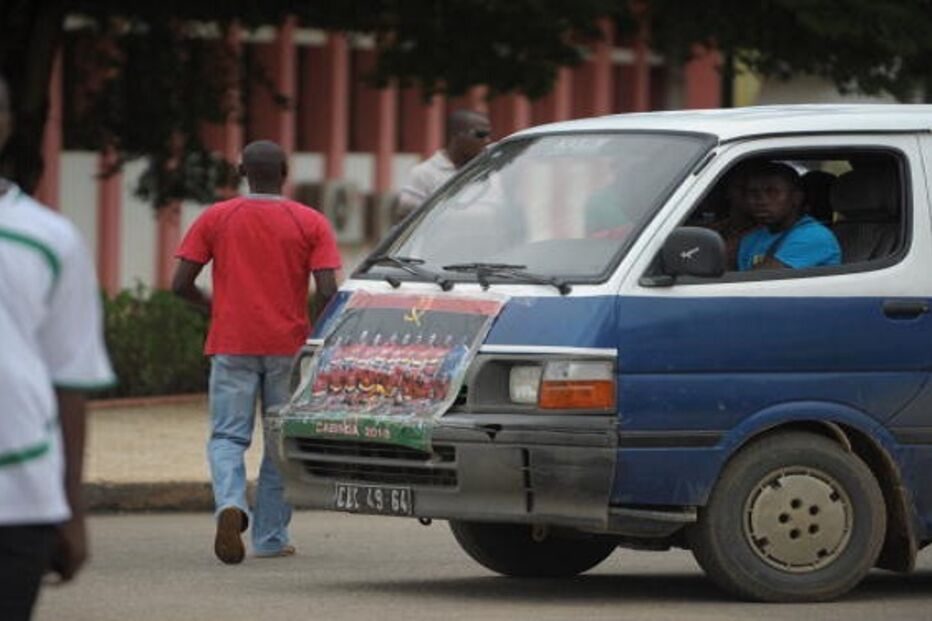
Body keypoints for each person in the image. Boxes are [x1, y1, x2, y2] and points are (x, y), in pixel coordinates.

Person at [172, 140, 341, 564]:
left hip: (232, 343)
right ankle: (270, 537)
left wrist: (216, 308)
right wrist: (316, 335)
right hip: (288, 347)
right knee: (279, 442)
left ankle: (230, 505)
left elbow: (180, 284)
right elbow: (328, 290)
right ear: (285, 171)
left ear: (241, 171)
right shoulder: (310, 221)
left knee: (227, 436)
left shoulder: (216, 217)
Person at [0, 75, 115, 620]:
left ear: (5, 124)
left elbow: (70, 378)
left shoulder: (50, 239)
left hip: (17, 497)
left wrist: (72, 508)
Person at [738, 162, 841, 271]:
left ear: (796, 197)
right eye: (753, 193)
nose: (761, 200)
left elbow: (760, 278)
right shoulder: (751, 239)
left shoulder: (814, 236)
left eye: (772, 192)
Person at [395, 109, 492, 219]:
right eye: (480, 134)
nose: (487, 140)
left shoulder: (492, 172)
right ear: (456, 134)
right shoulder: (424, 174)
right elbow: (406, 219)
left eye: (488, 135)